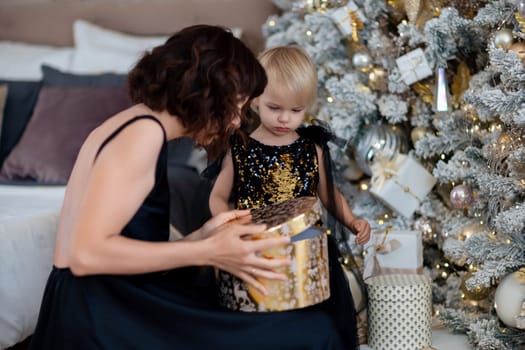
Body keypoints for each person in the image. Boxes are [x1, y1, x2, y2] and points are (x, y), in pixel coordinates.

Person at [29, 26, 348, 350]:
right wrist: (207, 251)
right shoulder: (141, 136)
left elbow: (112, 244)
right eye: (236, 106)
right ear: (208, 93)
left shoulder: (131, 122)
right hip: (99, 315)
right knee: (313, 331)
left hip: (96, 302)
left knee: (294, 324)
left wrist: (204, 235)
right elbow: (85, 255)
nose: (237, 121)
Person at [209, 45, 372, 349]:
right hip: (259, 246)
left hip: (307, 247)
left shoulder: (312, 147)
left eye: (296, 111)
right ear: (256, 99)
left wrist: (352, 220)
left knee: (315, 315)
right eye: (275, 108)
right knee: (264, 316)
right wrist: (229, 223)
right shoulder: (241, 146)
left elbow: (328, 194)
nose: (285, 118)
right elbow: (218, 195)